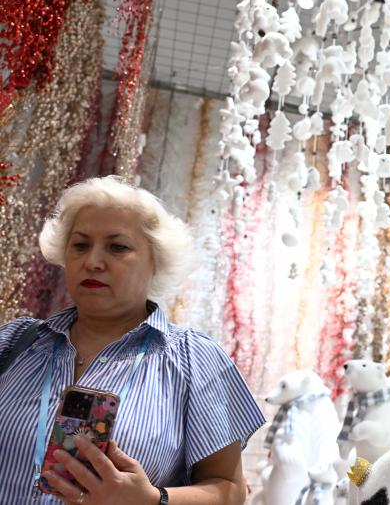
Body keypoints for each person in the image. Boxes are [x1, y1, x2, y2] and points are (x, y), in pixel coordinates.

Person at [0, 176, 266, 505]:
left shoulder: (195, 360)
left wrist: (153, 499)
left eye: (118, 247)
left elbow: (230, 490)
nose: (93, 262)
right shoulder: (15, 343)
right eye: (80, 245)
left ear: (156, 260)